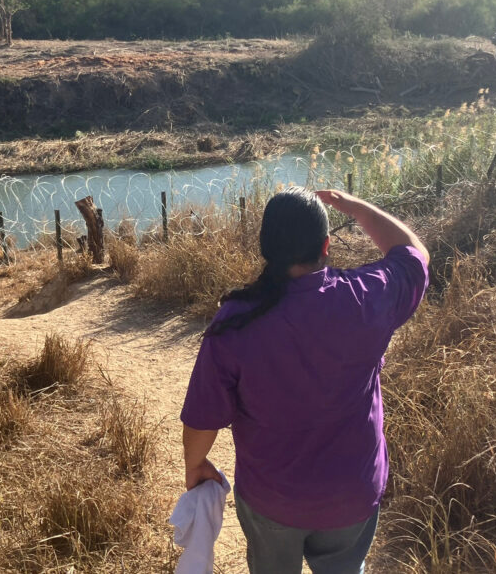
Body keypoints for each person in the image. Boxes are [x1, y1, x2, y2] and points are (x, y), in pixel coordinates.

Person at [180, 187, 430, 573]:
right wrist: (355, 206)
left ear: (266, 247)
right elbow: (414, 253)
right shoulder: (366, 297)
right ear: (326, 245)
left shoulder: (235, 320)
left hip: (271, 498)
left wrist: (194, 466)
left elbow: (202, 417)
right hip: (352, 493)